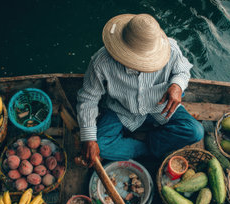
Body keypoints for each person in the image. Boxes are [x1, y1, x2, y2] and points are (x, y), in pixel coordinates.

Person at [77, 13, 204, 166]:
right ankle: (146, 150)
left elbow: (183, 71)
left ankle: (150, 143)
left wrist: (177, 85)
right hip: (121, 110)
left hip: (159, 108)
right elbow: (88, 98)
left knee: (195, 131)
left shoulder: (171, 49)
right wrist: (89, 139)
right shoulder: (101, 61)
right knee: (101, 147)